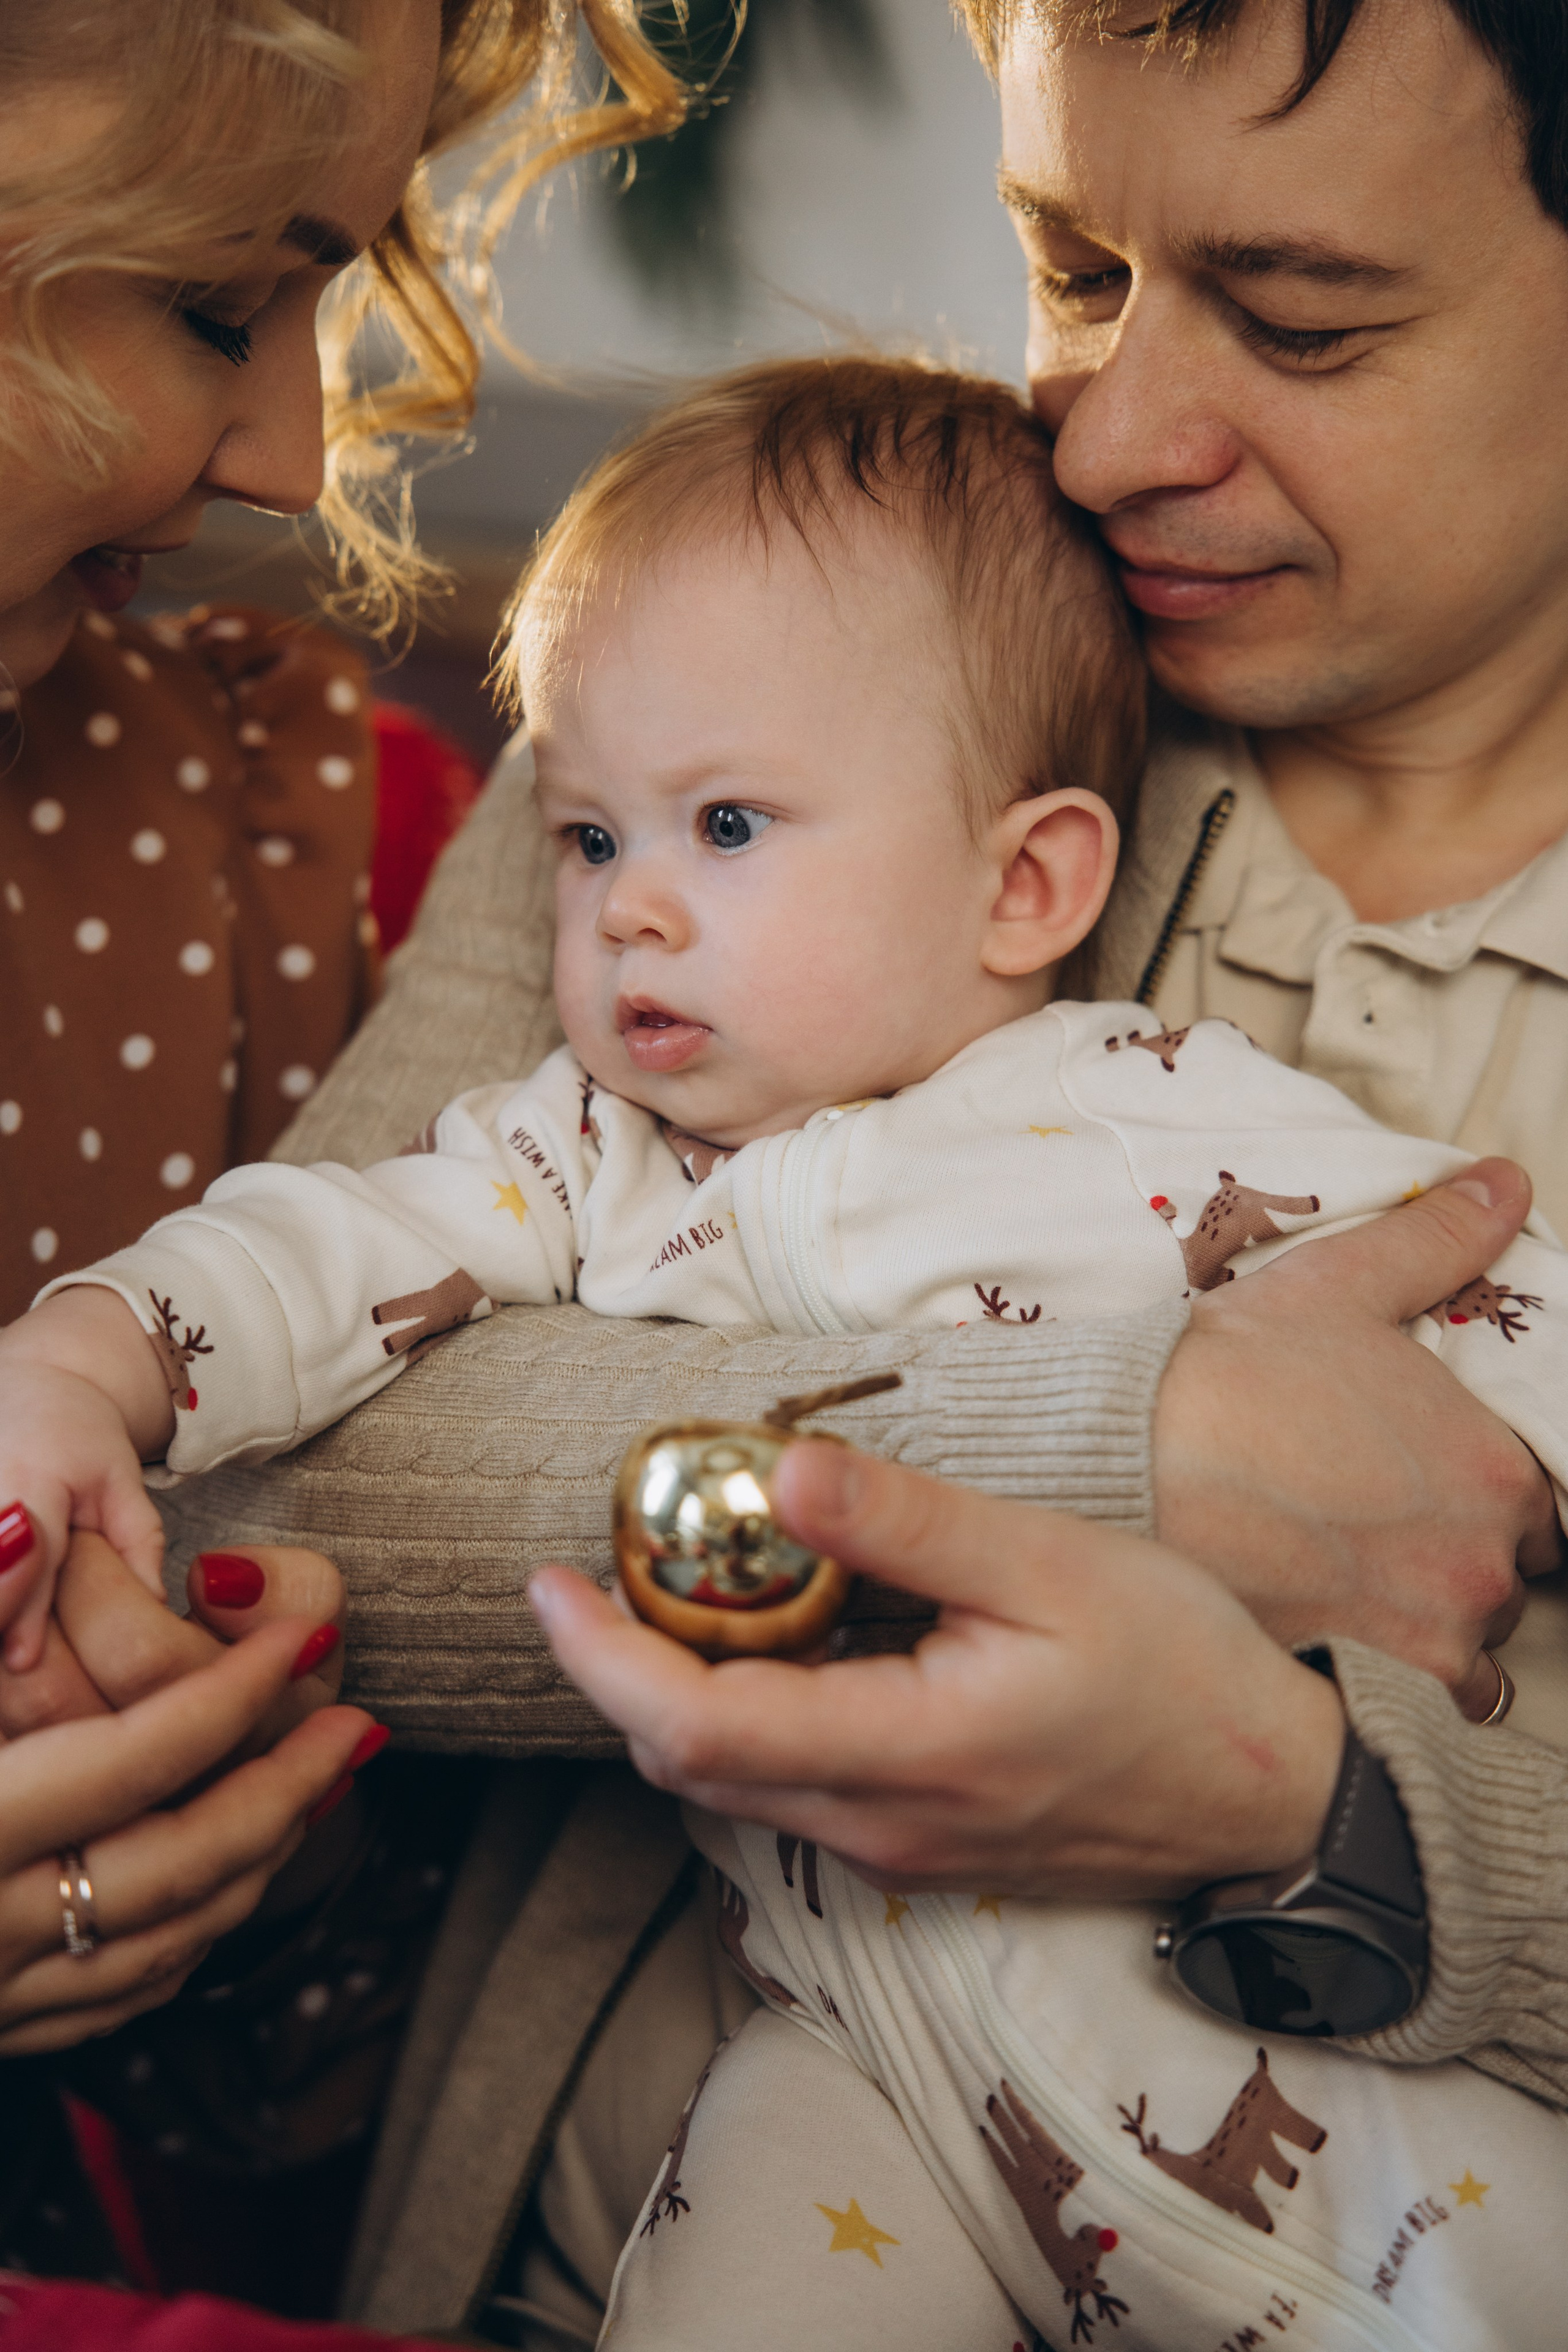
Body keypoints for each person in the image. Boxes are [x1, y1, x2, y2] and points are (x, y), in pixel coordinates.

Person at [114, 2, 1568, 2340]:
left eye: (1301, 320)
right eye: (1072, 267)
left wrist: (1324, 1807)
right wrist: (1113, 1462)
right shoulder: (805, 642)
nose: (1105, 432)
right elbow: (256, 1488)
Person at [0, 0, 687, 2308]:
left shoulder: (318, 847)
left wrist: (219, 1844)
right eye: (214, 301)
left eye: (329, 292)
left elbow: (416, 2038)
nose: (289, 454)